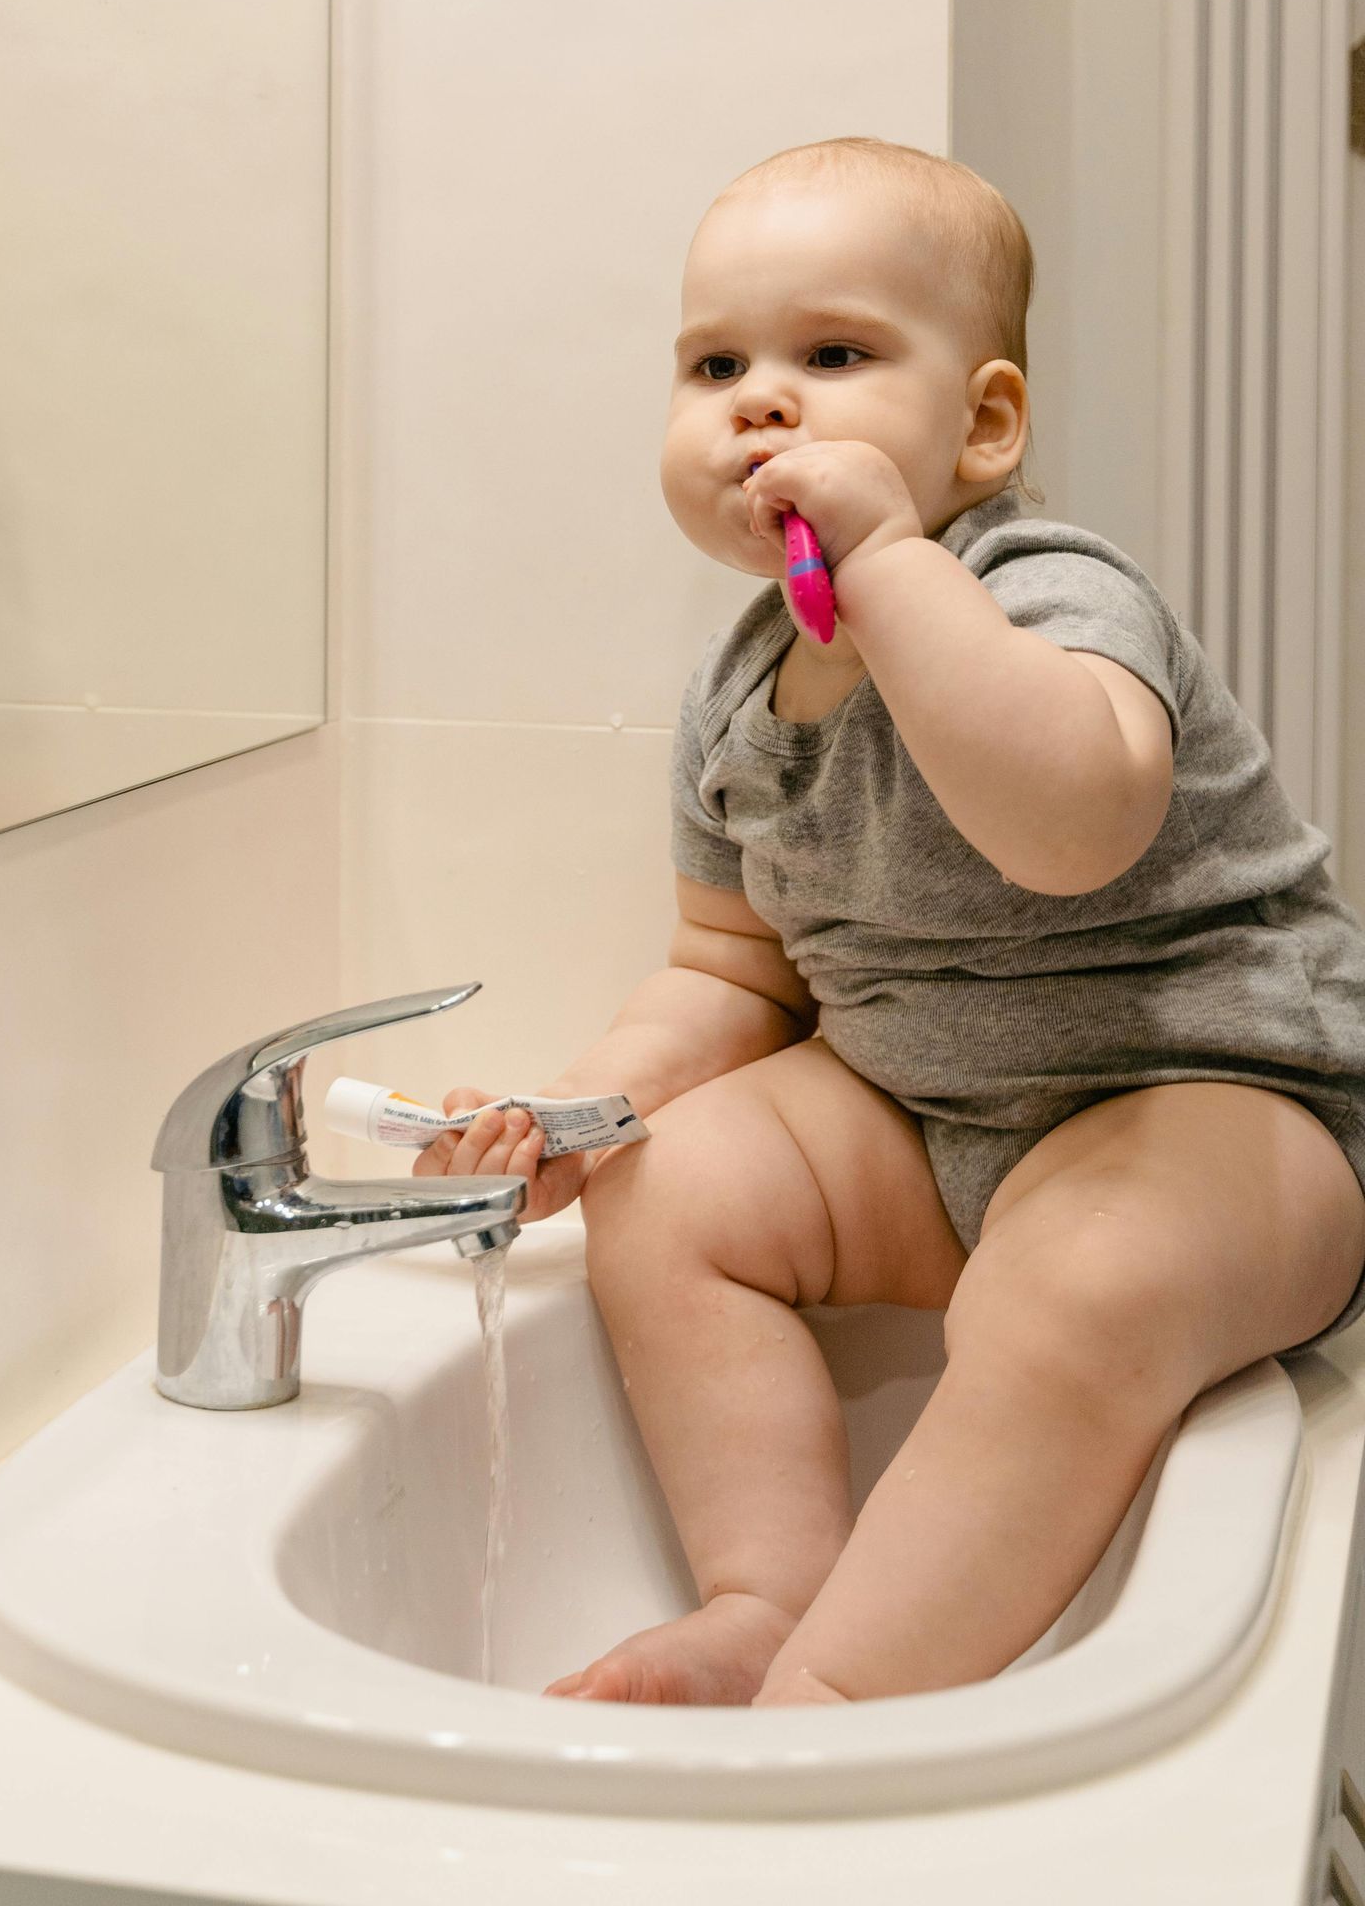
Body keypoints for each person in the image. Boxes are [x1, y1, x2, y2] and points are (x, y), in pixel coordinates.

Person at [415, 135, 1365, 1708]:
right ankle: (765, 1595)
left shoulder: (1050, 589)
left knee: (1075, 1281)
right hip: (931, 1121)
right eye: (716, 362)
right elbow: (729, 971)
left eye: (832, 356)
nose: (759, 400)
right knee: (675, 1187)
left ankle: (838, 1702)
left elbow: (1071, 827)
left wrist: (889, 566)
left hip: (1223, 1110)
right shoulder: (736, 694)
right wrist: (586, 1115)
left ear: (983, 424)